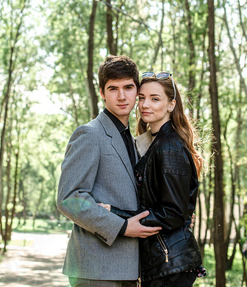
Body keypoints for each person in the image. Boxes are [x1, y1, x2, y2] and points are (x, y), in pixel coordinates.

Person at [57, 56, 162, 287]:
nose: (122, 96)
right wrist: (122, 227)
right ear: (103, 93)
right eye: (113, 89)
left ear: (137, 92)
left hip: (129, 268)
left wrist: (175, 215)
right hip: (96, 269)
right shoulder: (89, 134)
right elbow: (70, 198)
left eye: (128, 87)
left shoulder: (133, 141)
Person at [102, 71, 206, 287]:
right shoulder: (155, 143)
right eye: (142, 98)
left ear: (171, 105)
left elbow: (173, 213)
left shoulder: (169, 147)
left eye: (155, 98)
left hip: (170, 263)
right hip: (162, 260)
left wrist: (115, 215)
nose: (145, 105)